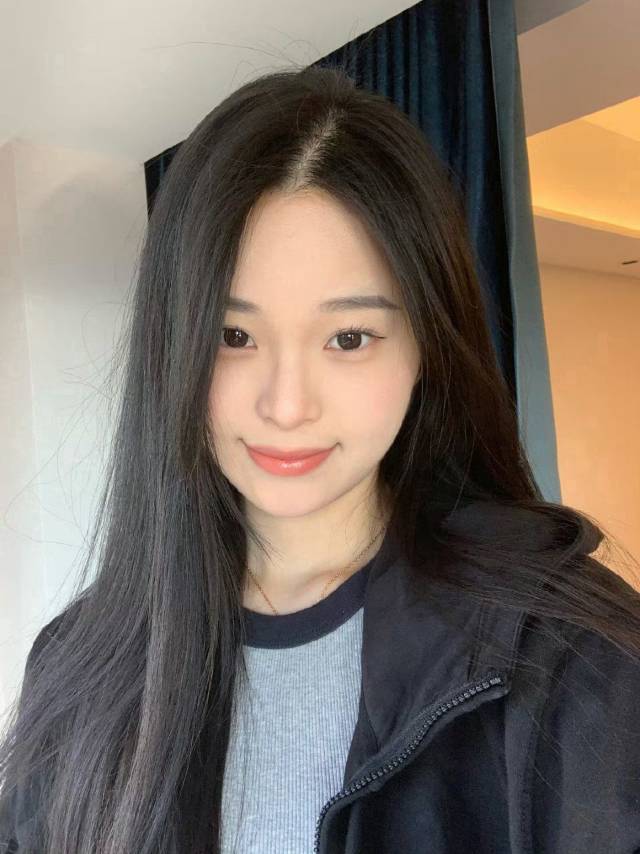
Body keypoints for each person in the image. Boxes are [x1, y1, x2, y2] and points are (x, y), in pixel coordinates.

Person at [1, 62, 640, 854]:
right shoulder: (77, 668)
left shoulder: (564, 655)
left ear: (425, 348)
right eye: (234, 335)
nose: (286, 405)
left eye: (349, 337)